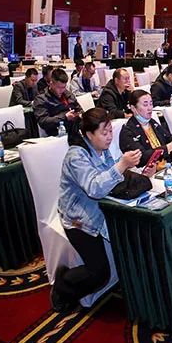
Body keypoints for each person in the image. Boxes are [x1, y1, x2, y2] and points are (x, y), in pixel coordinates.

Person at [51, 108, 141, 313]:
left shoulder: (102, 149)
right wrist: (121, 165)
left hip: (103, 209)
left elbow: (110, 178)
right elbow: (95, 188)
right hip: (79, 218)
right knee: (99, 274)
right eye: (104, 132)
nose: (109, 137)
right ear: (89, 134)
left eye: (110, 131)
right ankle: (63, 285)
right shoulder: (76, 156)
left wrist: (133, 169)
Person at [119, 90, 172, 168]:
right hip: (148, 172)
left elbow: (168, 138)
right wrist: (170, 147)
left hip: (166, 166)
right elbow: (142, 158)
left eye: (151, 104)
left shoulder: (151, 122)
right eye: (145, 105)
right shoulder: (128, 131)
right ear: (133, 108)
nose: (150, 108)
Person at [34, 69, 80, 137]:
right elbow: (43, 122)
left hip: (74, 131)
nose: (62, 90)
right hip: (56, 135)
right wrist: (65, 117)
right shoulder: (41, 99)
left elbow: (78, 108)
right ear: (51, 83)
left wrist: (79, 114)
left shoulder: (68, 95)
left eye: (64, 87)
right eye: (59, 87)